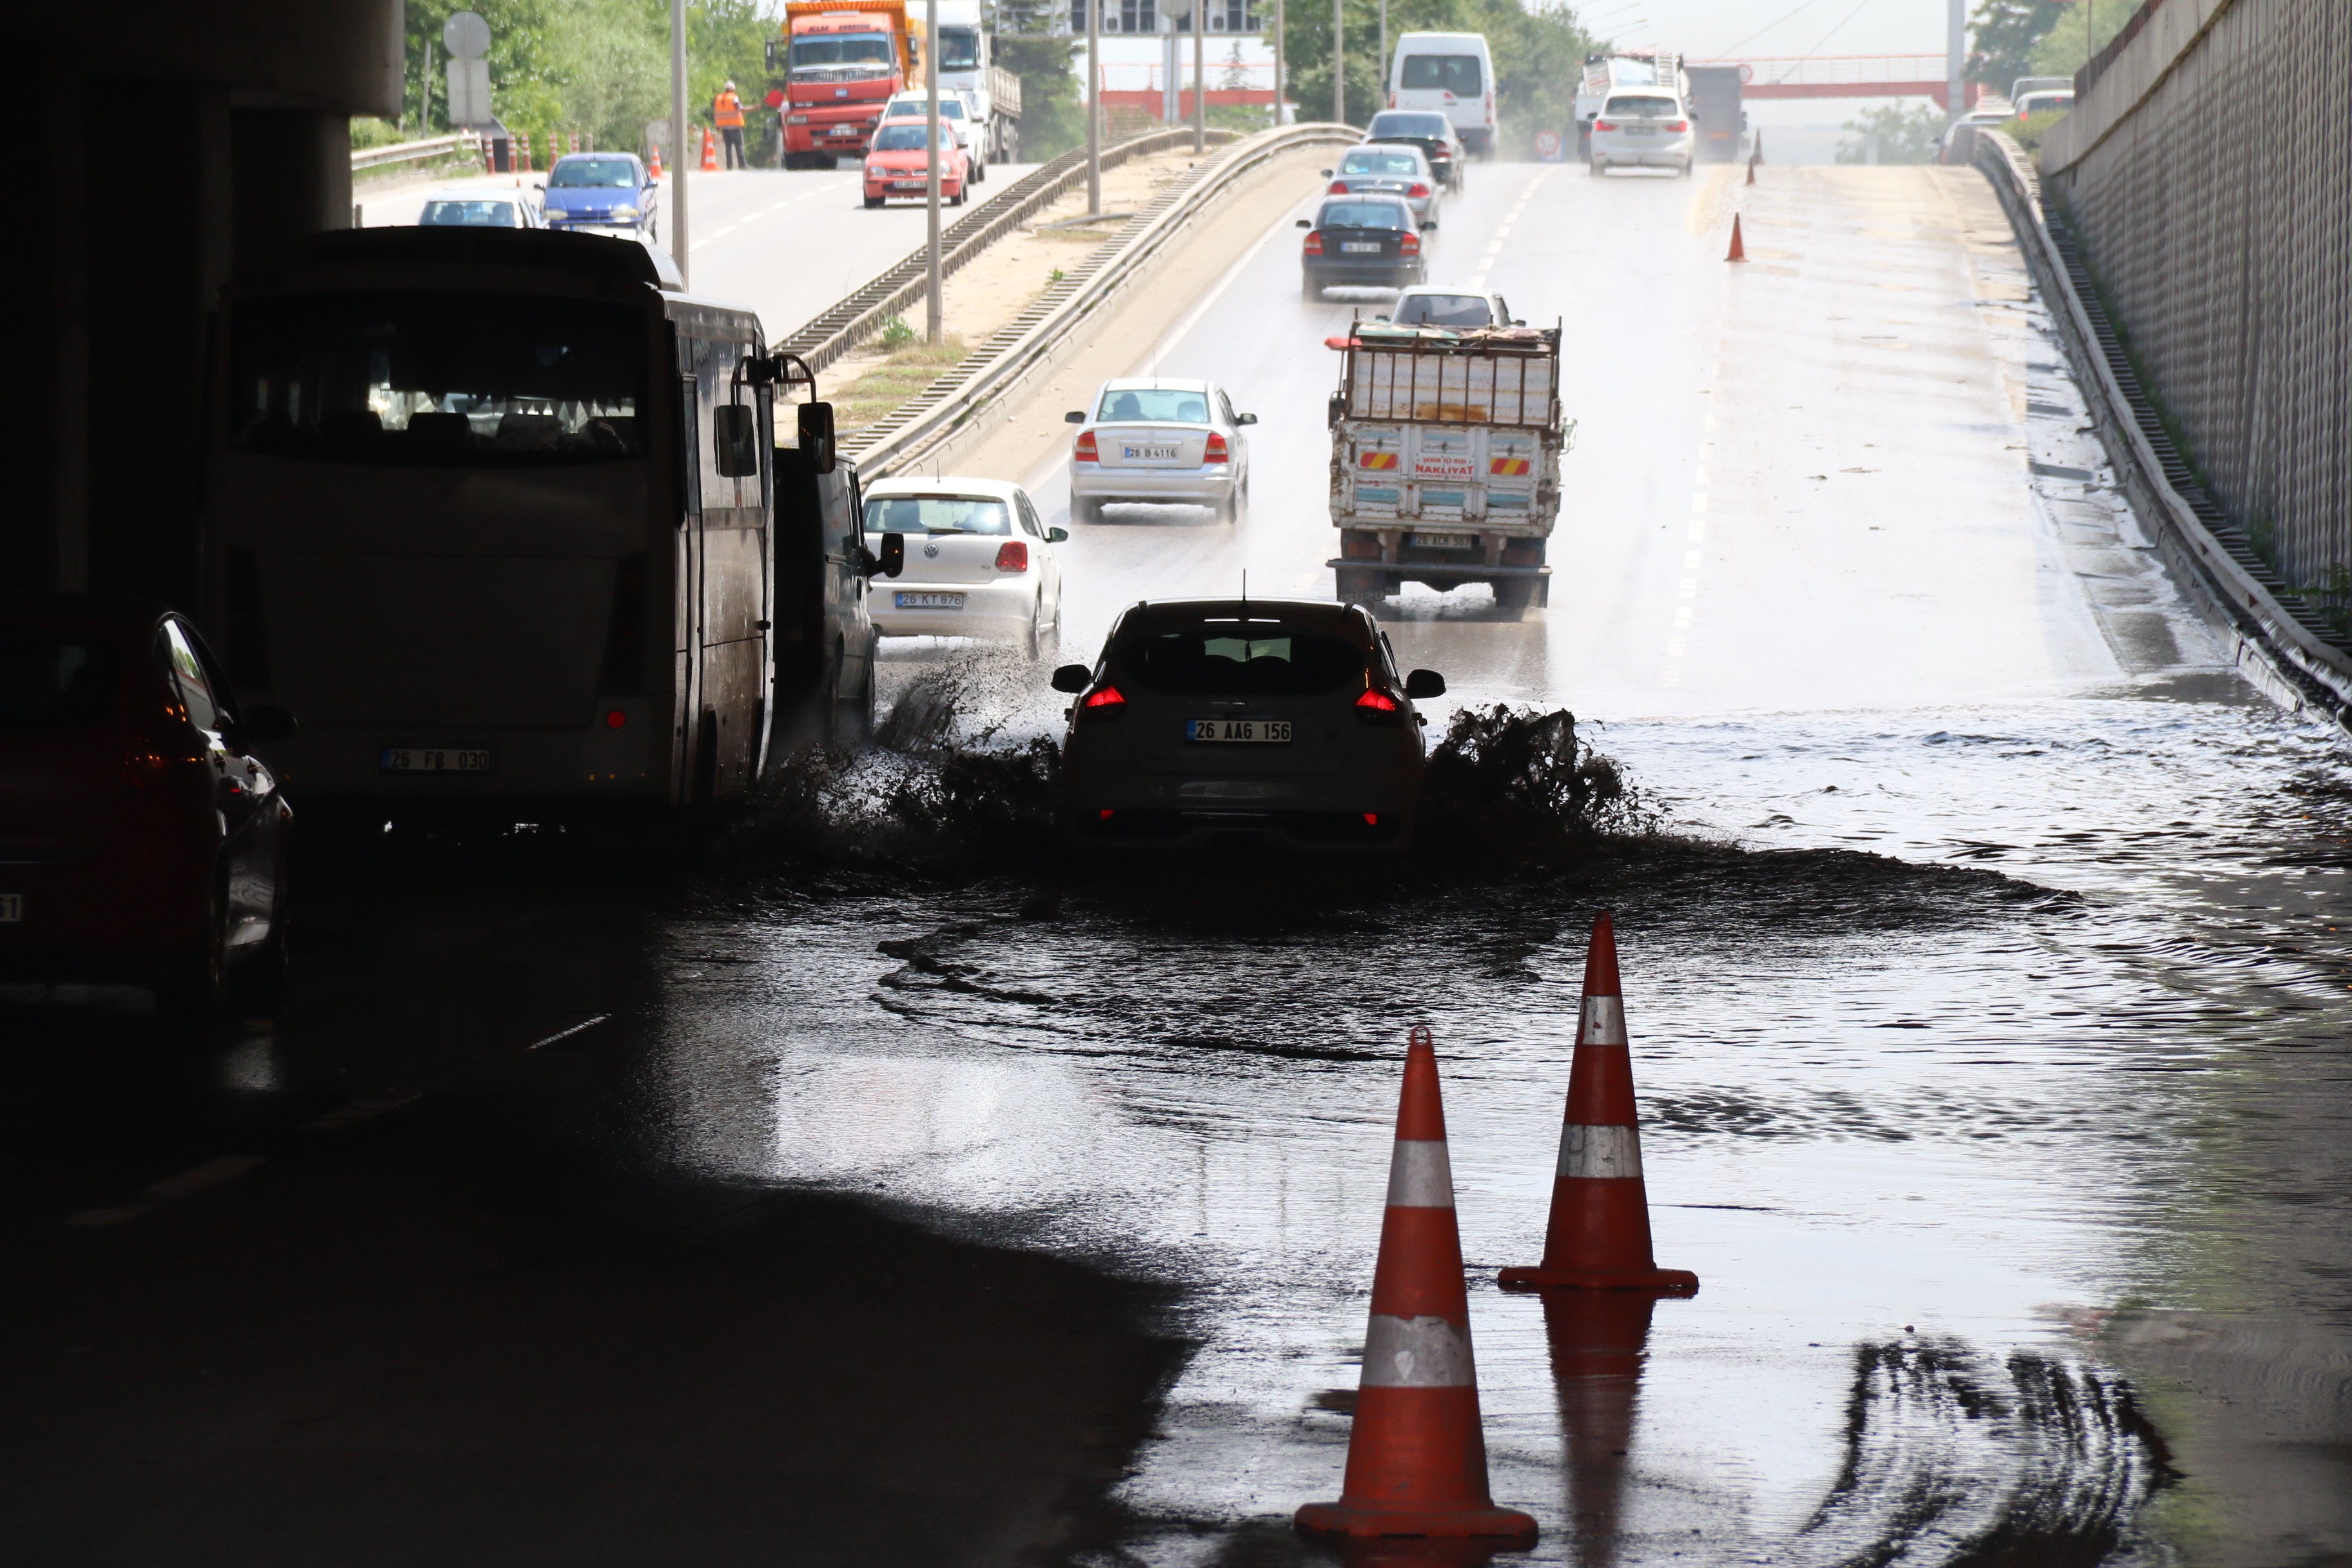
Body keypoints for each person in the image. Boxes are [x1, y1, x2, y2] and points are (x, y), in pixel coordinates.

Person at [714, 81, 747, 170]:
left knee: (728, 148)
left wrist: (718, 127)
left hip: (724, 128)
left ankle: (729, 167)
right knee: (739, 147)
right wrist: (754, 108)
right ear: (733, 89)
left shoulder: (720, 99)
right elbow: (740, 108)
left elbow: (716, 113)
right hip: (735, 127)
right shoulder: (734, 98)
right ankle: (742, 166)